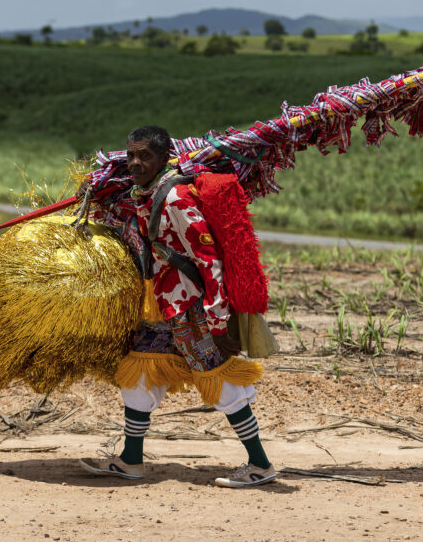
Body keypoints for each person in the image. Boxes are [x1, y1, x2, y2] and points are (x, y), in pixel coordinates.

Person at [78, 125, 277, 488]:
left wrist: (218, 325)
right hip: (161, 308)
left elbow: (209, 260)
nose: (136, 162)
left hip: (192, 310)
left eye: (145, 156)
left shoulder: (175, 199)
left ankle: (260, 465)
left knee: (219, 381)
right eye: (131, 155)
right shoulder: (146, 192)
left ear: (163, 158)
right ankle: (130, 461)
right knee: (139, 371)